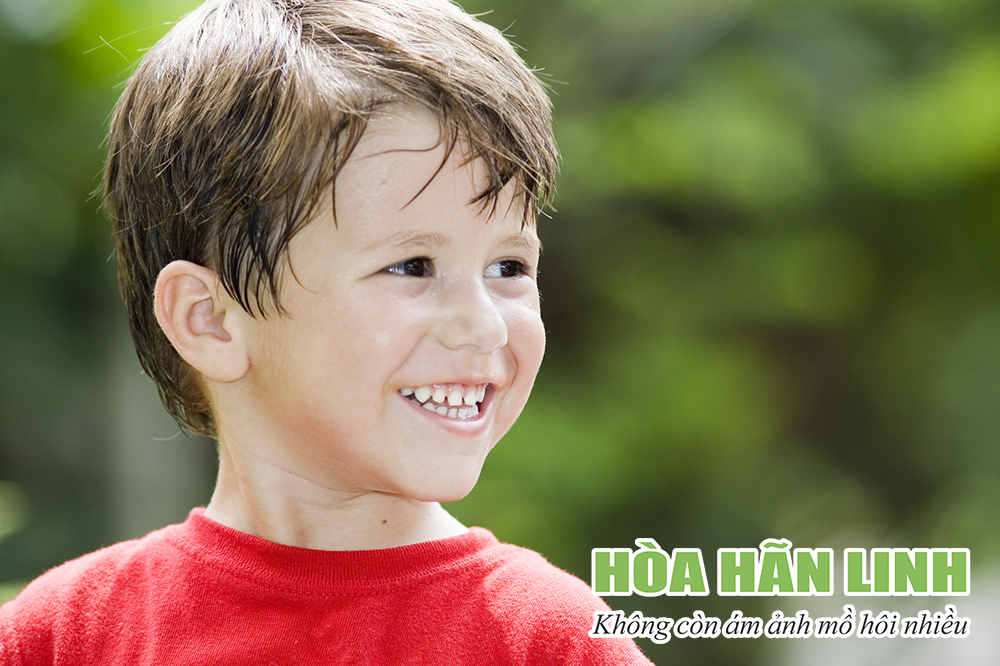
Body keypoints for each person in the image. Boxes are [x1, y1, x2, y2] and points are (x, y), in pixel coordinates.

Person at [0, 0, 653, 663]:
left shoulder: (551, 642)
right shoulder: (60, 638)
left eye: (508, 266)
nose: (484, 326)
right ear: (210, 319)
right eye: (413, 266)